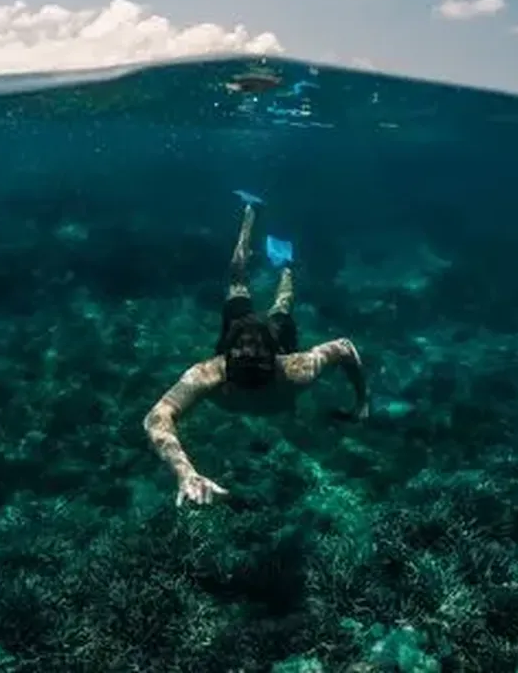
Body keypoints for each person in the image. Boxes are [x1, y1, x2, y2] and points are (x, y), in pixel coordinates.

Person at [142, 194, 369, 507]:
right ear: (227, 353)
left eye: (256, 357)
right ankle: (252, 212)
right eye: (242, 355)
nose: (248, 361)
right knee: (237, 273)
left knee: (282, 303)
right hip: (247, 337)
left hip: (270, 337)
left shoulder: (295, 368)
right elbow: (156, 417)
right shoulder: (211, 373)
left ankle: (286, 265)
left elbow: (345, 348)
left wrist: (362, 400)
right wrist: (185, 473)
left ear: (274, 355)